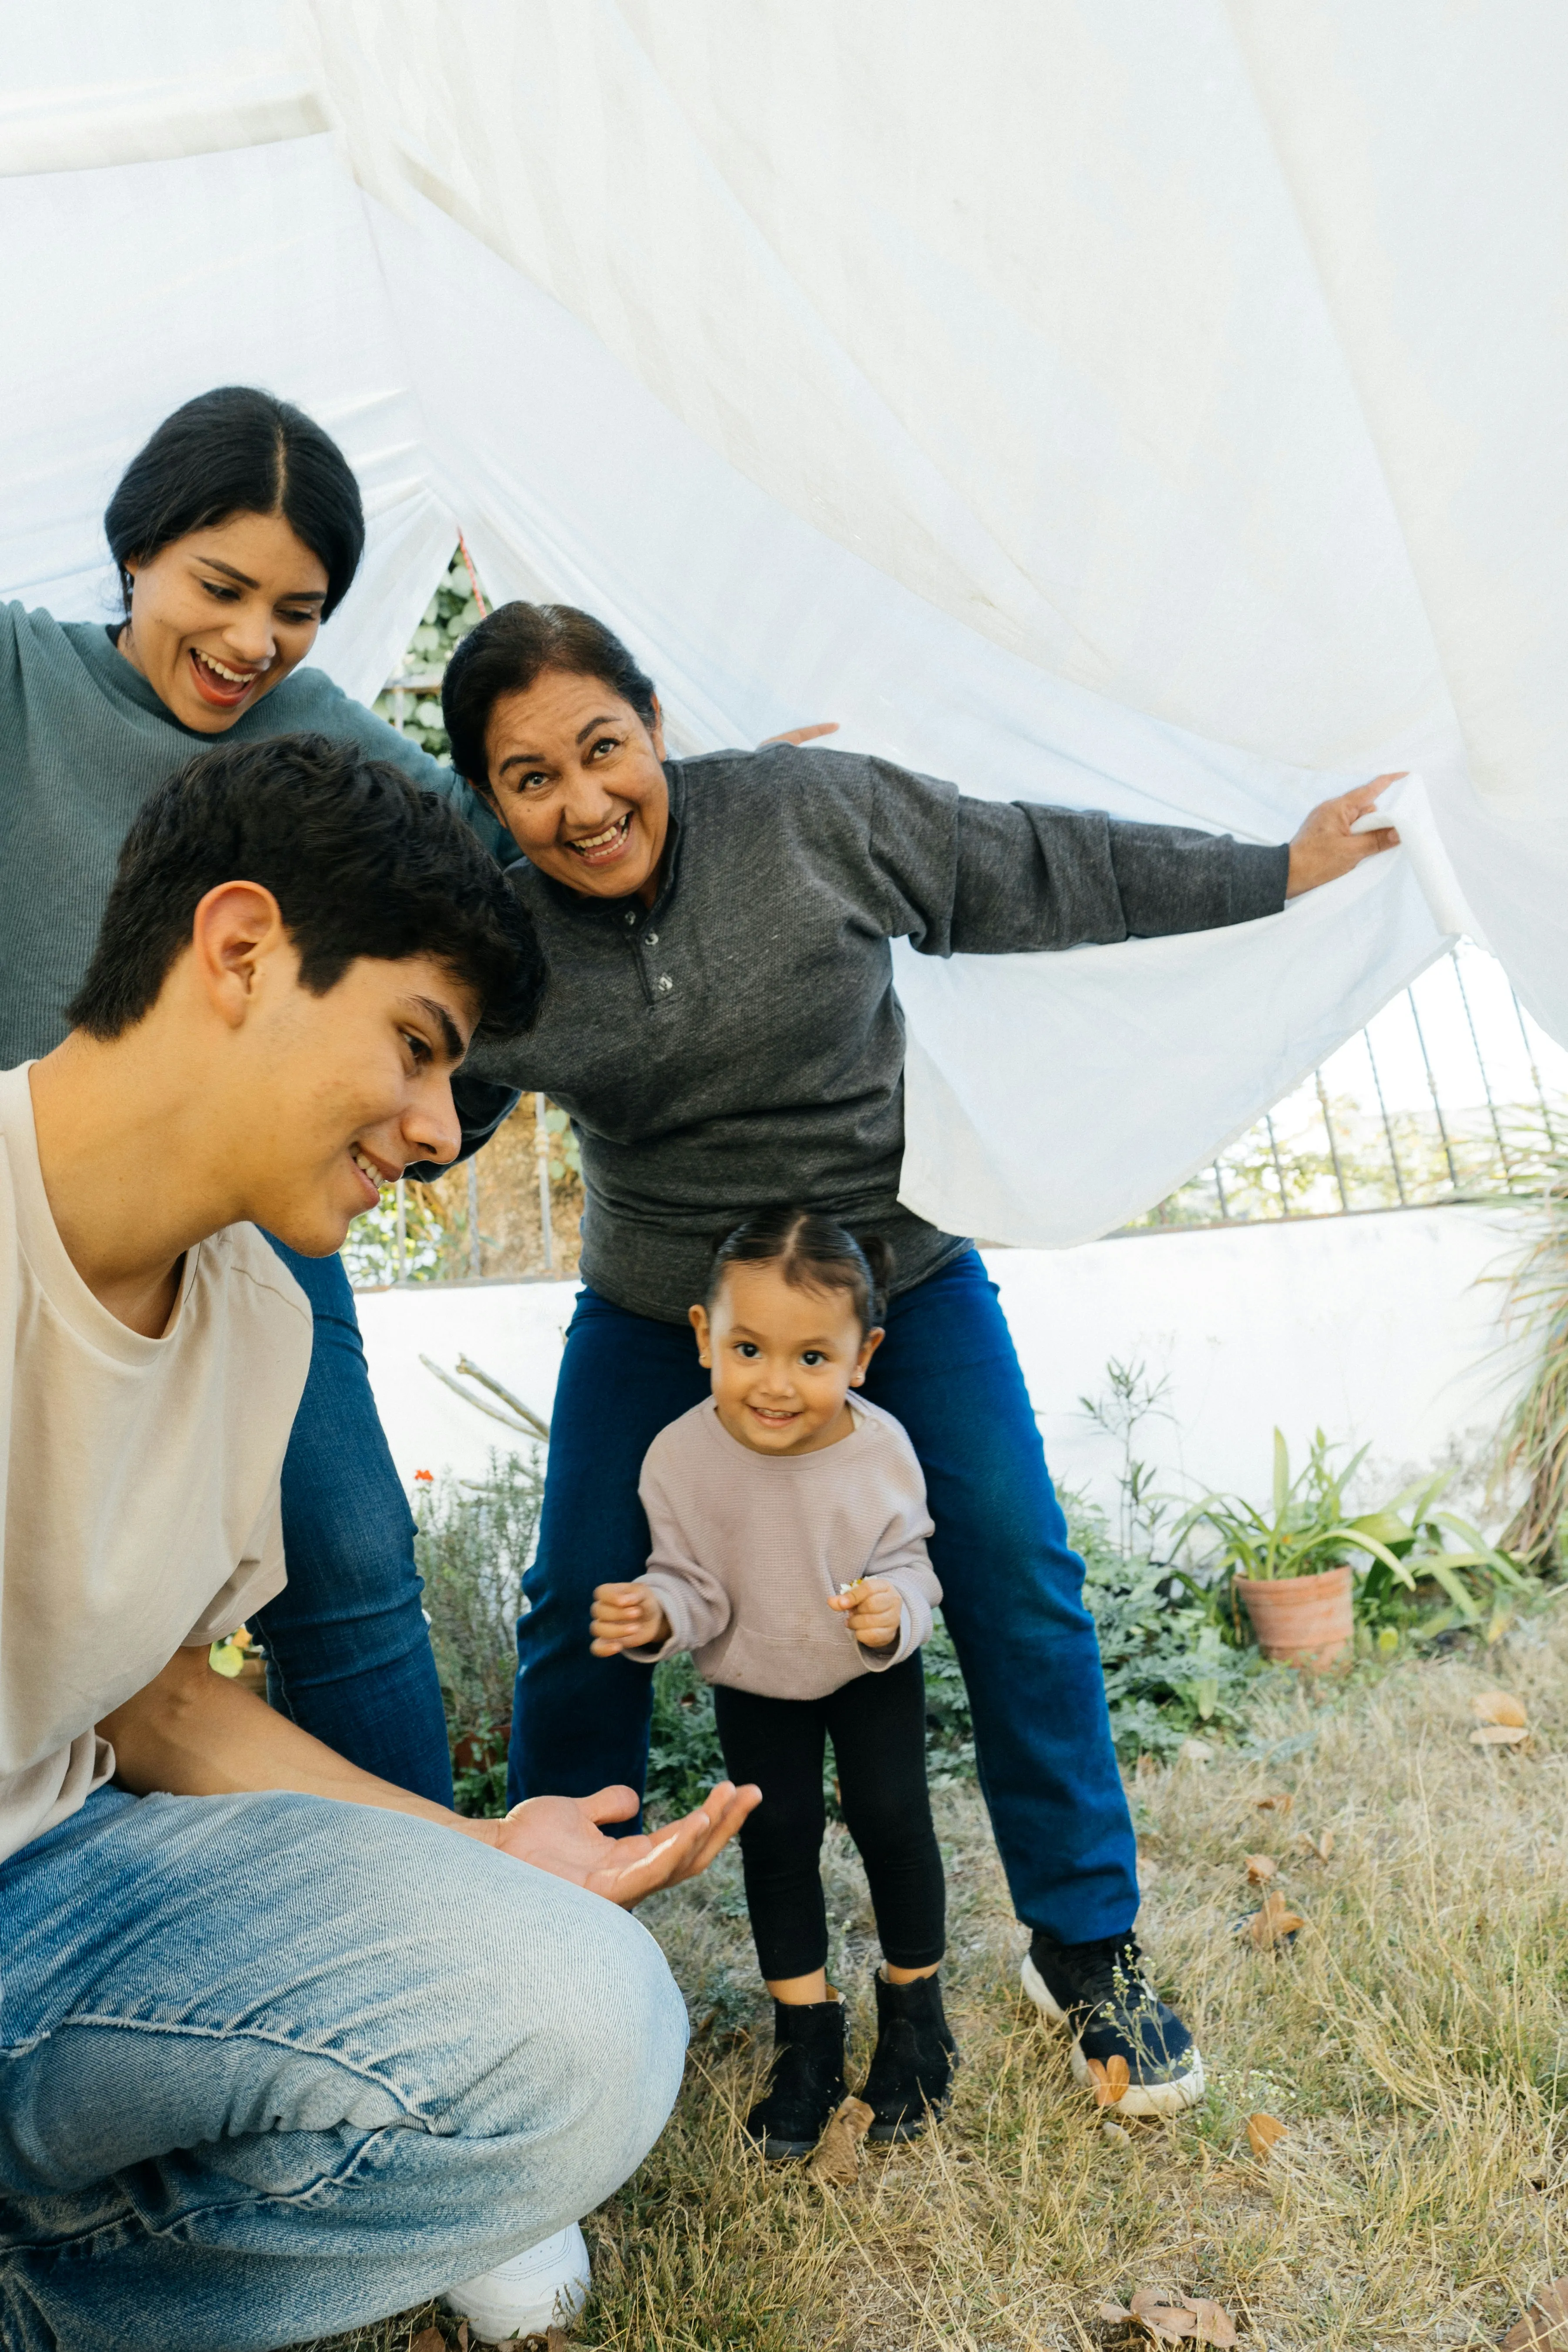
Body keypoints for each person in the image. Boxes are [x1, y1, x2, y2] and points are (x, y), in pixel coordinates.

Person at [435, 598, 1403, 2119]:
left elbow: (1026, 864)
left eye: (603, 748)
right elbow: (429, 1092)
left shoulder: (809, 815)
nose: (583, 800)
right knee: (576, 1608)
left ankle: (1088, 1948)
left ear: (656, 724)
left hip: (891, 1279)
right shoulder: (496, 932)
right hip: (661, 1317)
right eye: (527, 778)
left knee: (1019, 1569)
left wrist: (1276, 868)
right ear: (487, 800)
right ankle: (555, 1965)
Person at [0, 733, 757, 2352]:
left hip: (58, 1899)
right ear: (242, 950)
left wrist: (479, 1854)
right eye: (416, 1049)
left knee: (585, 2019)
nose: (436, 1130)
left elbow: (153, 1701)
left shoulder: (258, 1315)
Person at [591, 1210, 957, 2159]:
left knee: (891, 1819)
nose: (777, 1383)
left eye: (812, 1357)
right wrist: (659, 1613)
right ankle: (808, 2037)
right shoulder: (679, 1457)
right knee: (778, 1840)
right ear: (705, 1336)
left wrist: (894, 1609)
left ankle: (917, 2018)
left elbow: (913, 1566)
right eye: (748, 1348)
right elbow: (692, 1582)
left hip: (866, 1672)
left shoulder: (878, 1452)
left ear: (862, 1355)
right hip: (754, 1677)